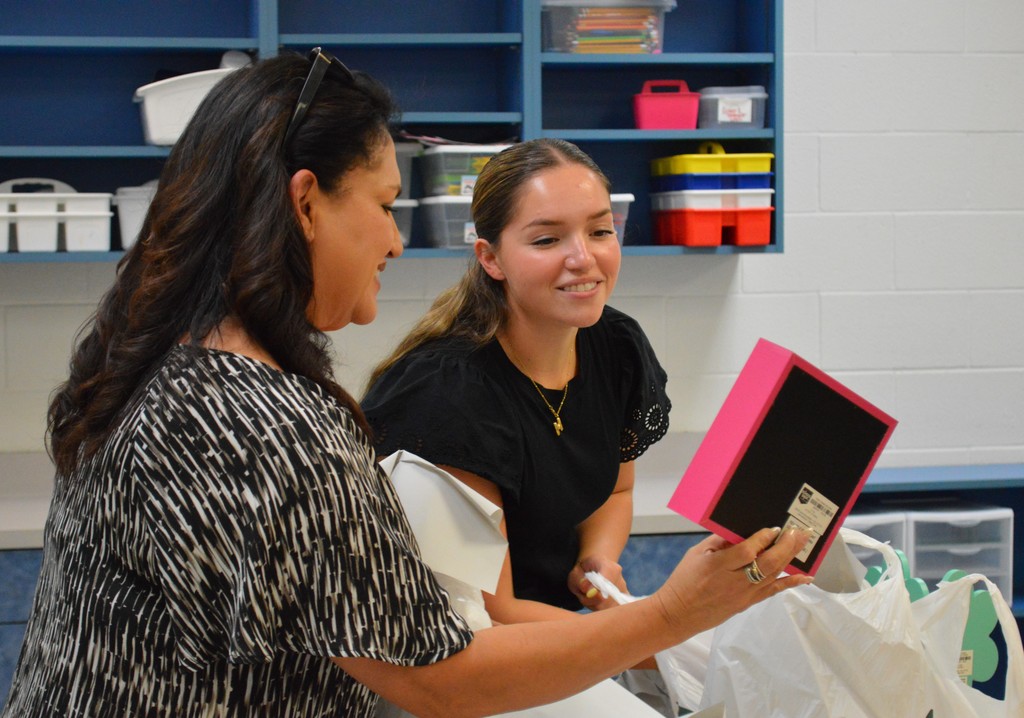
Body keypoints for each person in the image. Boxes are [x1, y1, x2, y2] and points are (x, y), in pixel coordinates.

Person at [1, 49, 810, 718]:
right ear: (307, 204)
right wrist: (673, 615)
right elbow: (441, 674)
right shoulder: (269, 422)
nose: (395, 240)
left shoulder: (162, 360)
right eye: (387, 205)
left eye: (600, 231)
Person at [362, 138, 666, 623]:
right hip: (463, 653)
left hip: (564, 636)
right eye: (547, 240)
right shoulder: (447, 393)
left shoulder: (616, 345)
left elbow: (615, 492)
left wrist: (599, 559)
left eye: (601, 231)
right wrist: (658, 633)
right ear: (491, 258)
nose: (583, 258)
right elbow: (489, 611)